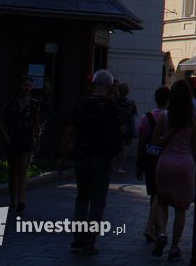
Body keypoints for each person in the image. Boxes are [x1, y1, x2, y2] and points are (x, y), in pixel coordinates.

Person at [59, 69, 123, 256]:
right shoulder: (112, 107)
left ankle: (77, 239)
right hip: (102, 158)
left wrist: (63, 153)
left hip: (82, 156)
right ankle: (90, 242)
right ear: (110, 86)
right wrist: (116, 157)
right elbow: (119, 133)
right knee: (98, 200)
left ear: (93, 84)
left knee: (82, 198)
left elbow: (70, 130)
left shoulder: (81, 103)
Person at [152, 79, 196, 261]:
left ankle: (162, 233)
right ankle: (174, 247)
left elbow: (155, 140)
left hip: (165, 163)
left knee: (162, 202)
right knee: (181, 208)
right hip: (185, 164)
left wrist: (165, 139)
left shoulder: (164, 117)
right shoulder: (193, 121)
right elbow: (195, 148)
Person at [0, 75, 40, 214]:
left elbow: (36, 123)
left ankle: (21, 200)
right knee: (13, 171)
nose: (27, 88)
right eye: (25, 85)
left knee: (23, 170)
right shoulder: (10, 102)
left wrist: (36, 139)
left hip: (26, 138)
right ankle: (12, 200)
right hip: (12, 138)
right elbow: (2, 120)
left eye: (30, 85)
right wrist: (5, 135)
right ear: (19, 86)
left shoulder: (34, 104)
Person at [135, 86, 170, 242]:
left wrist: (139, 163)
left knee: (154, 194)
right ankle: (153, 228)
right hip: (164, 160)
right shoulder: (169, 118)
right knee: (159, 195)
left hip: (149, 159)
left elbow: (141, 141)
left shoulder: (146, 117)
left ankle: (155, 227)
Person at [114, 82, 137, 173]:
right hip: (127, 128)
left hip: (116, 127)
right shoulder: (131, 103)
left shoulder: (115, 102)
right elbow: (132, 116)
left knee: (116, 146)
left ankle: (114, 165)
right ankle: (119, 166)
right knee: (125, 148)